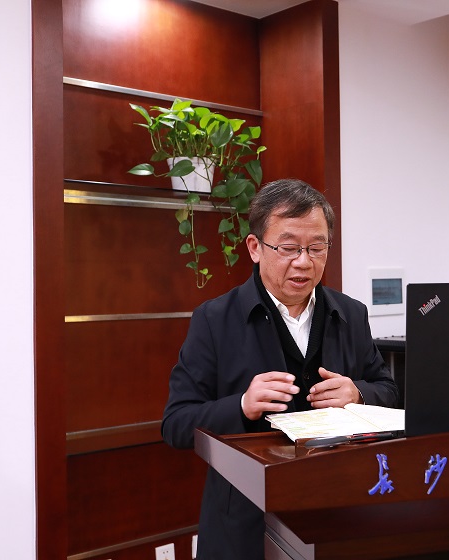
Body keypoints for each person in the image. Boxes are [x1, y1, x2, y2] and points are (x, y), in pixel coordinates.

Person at [161, 178, 399, 559]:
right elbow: (175, 424)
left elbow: (388, 390)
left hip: (338, 514)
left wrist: (358, 393)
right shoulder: (215, 320)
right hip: (246, 524)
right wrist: (242, 405)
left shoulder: (351, 314)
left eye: (317, 247)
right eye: (288, 248)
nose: (304, 261)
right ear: (255, 248)